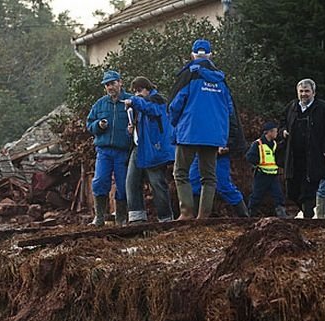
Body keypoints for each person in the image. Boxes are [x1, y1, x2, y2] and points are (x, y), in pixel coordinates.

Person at [168, 38, 235, 220]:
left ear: (192, 55)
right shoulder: (221, 79)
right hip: (213, 135)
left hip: (189, 131)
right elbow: (229, 109)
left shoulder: (187, 75)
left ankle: (186, 213)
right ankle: (203, 216)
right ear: (211, 56)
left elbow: (175, 104)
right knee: (209, 176)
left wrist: (174, 123)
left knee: (181, 172)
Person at [280, 78, 325, 219]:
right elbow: (282, 122)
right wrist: (283, 131)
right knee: (292, 191)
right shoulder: (292, 107)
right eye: (301, 91)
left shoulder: (323, 109)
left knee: (309, 189)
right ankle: (306, 210)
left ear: (313, 92)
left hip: (313, 156)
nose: (304, 94)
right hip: (294, 157)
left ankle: (308, 217)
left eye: (307, 91)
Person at [122, 76, 175, 223]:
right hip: (138, 146)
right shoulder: (141, 104)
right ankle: (136, 217)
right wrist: (130, 130)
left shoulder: (157, 101)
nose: (137, 94)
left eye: (140, 90)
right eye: (134, 92)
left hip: (153, 148)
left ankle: (165, 218)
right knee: (131, 182)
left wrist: (134, 101)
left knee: (157, 183)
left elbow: (150, 110)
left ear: (148, 88)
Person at [86, 70, 133, 226]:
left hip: (123, 150)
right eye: (107, 85)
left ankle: (121, 217)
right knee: (99, 181)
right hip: (104, 150)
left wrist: (132, 130)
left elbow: (140, 121)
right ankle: (99, 217)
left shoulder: (130, 101)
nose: (110, 87)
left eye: (113, 83)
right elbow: (89, 124)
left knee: (123, 184)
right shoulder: (100, 104)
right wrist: (98, 125)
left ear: (120, 82)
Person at [188, 97, 248, 217]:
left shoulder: (222, 95)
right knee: (193, 181)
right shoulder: (197, 95)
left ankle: (244, 217)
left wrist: (226, 143)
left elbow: (232, 121)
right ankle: (193, 220)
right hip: (202, 145)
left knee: (223, 184)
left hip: (218, 147)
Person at [245, 121, 288, 218]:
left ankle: (282, 214)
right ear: (269, 132)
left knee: (278, 195)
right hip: (262, 174)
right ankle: (251, 214)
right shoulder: (258, 144)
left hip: (273, 175)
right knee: (256, 195)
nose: (277, 134)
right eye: (275, 131)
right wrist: (258, 162)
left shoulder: (274, 144)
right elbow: (249, 157)